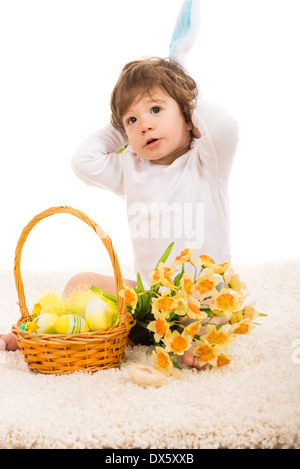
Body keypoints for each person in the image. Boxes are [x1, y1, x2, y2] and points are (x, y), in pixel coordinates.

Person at [0, 57, 238, 369]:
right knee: (79, 283)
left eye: (155, 110)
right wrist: (125, 131)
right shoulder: (131, 169)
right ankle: (43, 333)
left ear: (189, 115)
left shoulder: (208, 161)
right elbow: (82, 160)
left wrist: (186, 99)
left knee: (203, 316)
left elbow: (224, 127)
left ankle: (188, 343)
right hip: (149, 302)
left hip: (203, 298)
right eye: (132, 120)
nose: (146, 125)